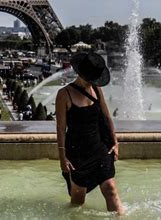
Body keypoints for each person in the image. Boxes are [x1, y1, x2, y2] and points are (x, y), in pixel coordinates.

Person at [55, 52, 124, 214]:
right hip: (77, 153)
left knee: (111, 189)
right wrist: (62, 157)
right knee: (78, 200)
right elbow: (60, 128)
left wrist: (115, 141)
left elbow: (106, 116)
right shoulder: (64, 94)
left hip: (99, 147)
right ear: (81, 73)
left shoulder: (96, 89)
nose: (93, 81)